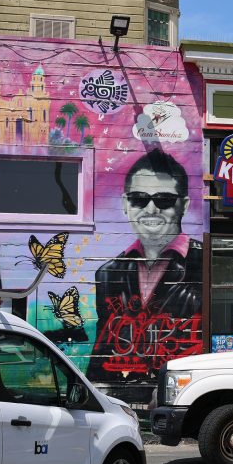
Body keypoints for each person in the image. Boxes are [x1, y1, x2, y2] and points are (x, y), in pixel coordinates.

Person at [90, 148, 202, 380]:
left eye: (164, 200)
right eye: (139, 199)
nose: (151, 209)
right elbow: (102, 349)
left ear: (184, 205)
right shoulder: (108, 274)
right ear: (126, 204)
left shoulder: (205, 263)